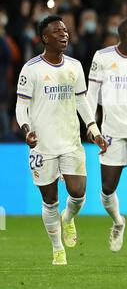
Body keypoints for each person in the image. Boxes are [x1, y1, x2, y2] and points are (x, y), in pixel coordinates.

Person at [16, 15, 108, 265]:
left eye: (65, 30)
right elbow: (21, 105)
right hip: (42, 144)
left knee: (78, 193)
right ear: (45, 38)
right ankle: (57, 248)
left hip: (70, 141)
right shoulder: (31, 69)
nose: (64, 34)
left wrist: (94, 129)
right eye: (57, 31)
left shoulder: (75, 66)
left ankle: (68, 218)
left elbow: (82, 101)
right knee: (49, 199)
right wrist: (27, 130)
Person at [87, 18, 127, 258]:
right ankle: (118, 221)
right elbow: (91, 94)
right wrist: (91, 125)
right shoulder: (103, 57)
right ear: (126, 34)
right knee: (107, 189)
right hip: (111, 131)